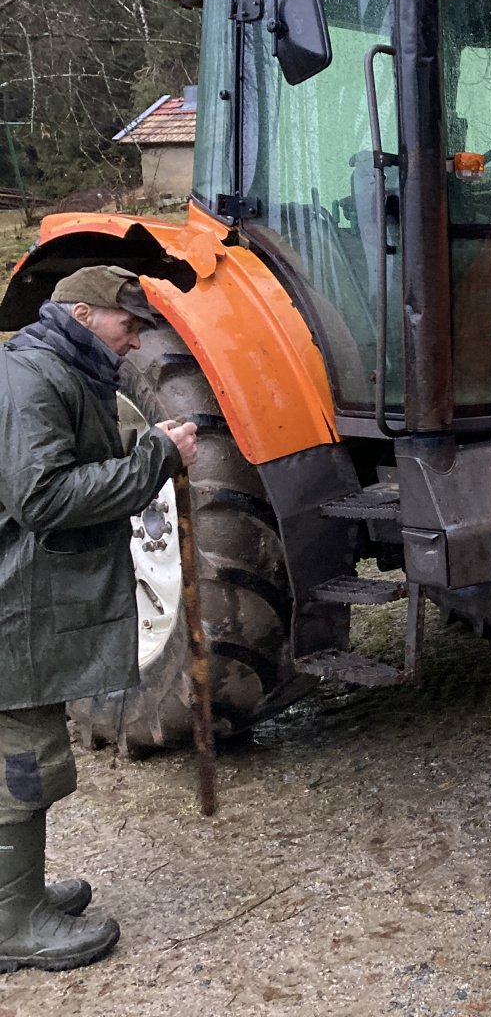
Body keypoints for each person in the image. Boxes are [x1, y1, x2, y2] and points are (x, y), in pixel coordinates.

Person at [0, 265, 198, 973]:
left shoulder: (56, 372)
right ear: (83, 314)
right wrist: (156, 458)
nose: (137, 338)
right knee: (24, 765)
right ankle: (12, 924)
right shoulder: (31, 381)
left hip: (24, 601)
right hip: (12, 608)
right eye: (128, 323)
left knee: (22, 759)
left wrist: (148, 450)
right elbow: (44, 497)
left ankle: (14, 894)